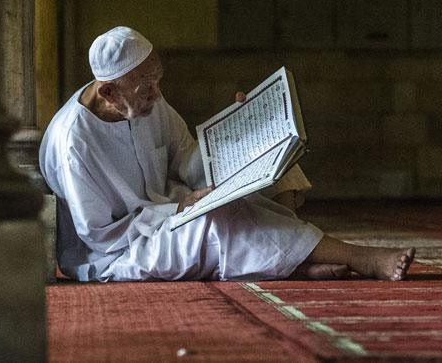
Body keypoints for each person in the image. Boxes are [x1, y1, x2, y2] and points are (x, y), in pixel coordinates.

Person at [40, 26, 414, 282]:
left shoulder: (143, 101)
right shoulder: (74, 143)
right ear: (108, 93)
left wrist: (241, 128)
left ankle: (291, 260)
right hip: (121, 253)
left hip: (169, 207)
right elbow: (100, 236)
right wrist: (179, 209)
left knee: (267, 156)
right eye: (146, 89)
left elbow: (184, 156)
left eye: (158, 82)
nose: (156, 95)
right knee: (222, 220)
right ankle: (359, 257)